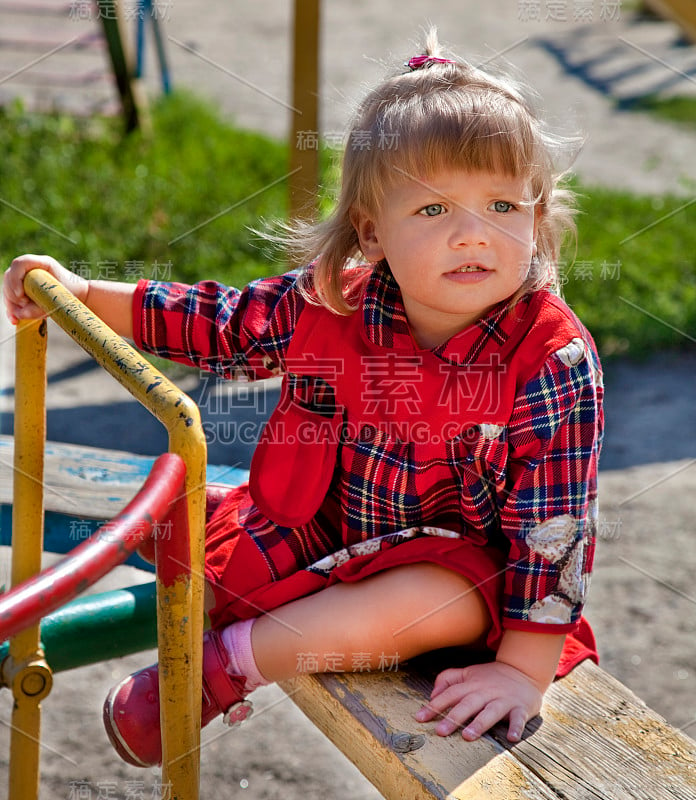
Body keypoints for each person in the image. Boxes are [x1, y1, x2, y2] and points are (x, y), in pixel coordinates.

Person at [4, 29, 603, 768]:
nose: (472, 236)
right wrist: (88, 295)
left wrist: (521, 670)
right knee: (218, 550)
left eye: (504, 206)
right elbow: (222, 324)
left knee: (435, 595)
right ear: (371, 232)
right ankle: (208, 635)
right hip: (322, 530)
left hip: (458, 576)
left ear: (539, 221)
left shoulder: (551, 359)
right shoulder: (335, 303)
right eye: (433, 211)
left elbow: (556, 527)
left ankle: (226, 666)